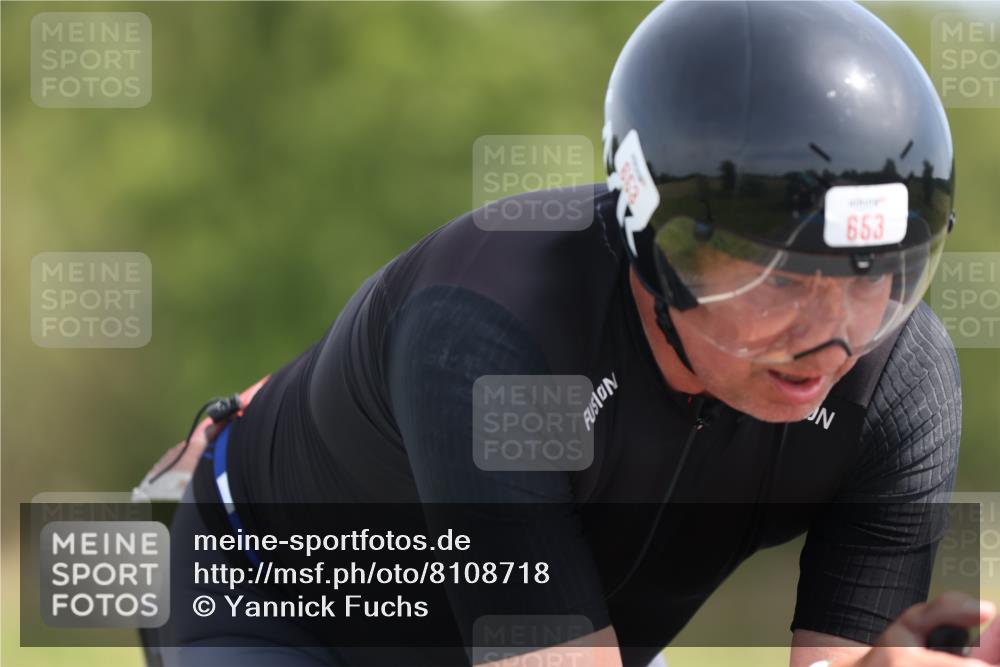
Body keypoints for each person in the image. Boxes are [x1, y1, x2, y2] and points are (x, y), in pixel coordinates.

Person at [138, 1, 997, 666]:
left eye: (871, 278)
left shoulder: (898, 382)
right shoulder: (495, 335)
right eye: (782, 279)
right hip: (276, 600)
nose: (832, 340)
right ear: (654, 239)